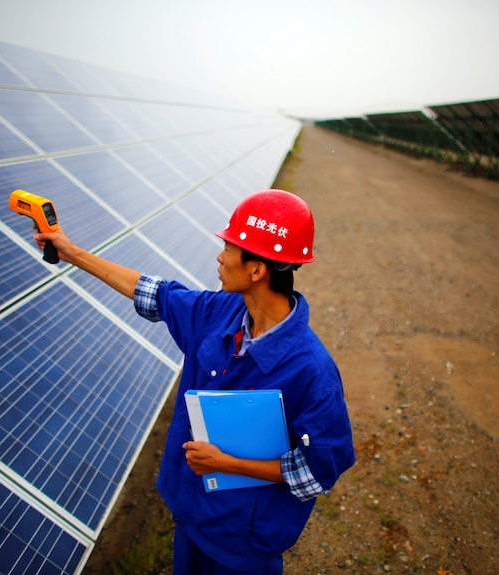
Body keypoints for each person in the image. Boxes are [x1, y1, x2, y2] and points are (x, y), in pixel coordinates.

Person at [35, 188, 355, 574]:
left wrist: (230, 463)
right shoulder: (222, 311)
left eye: (230, 248)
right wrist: (72, 252)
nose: (220, 256)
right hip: (191, 514)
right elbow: (157, 295)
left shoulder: (312, 371)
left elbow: (317, 472)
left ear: (257, 270)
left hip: (242, 543)